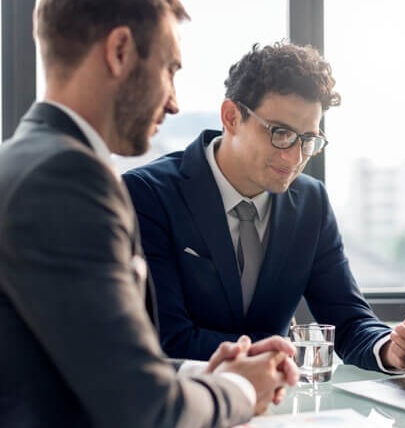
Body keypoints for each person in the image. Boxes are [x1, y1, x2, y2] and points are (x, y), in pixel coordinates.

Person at [0, 1, 298, 427]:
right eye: (170, 69)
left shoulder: (24, 160)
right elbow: (145, 409)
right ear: (120, 50)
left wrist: (209, 372)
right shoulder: (66, 178)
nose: (174, 102)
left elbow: (95, 358)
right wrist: (242, 390)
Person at [123, 42, 405, 372]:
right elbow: (167, 339)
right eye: (280, 133)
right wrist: (283, 354)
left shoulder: (311, 202)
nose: (294, 158)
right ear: (232, 116)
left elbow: (349, 319)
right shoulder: (148, 195)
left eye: (308, 139)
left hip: (278, 407)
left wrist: (391, 348)